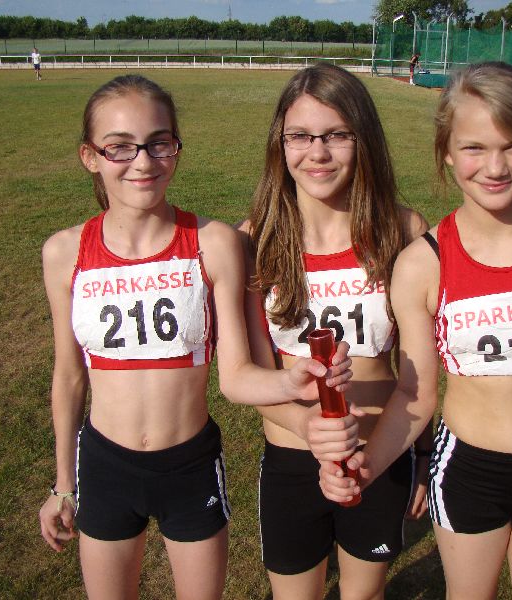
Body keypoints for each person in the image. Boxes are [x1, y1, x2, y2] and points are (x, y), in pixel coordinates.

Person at [37, 74, 352, 600]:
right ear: (90, 156)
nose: (143, 161)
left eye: (159, 143)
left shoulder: (215, 243)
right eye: (120, 147)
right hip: (105, 464)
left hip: (189, 465)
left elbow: (237, 373)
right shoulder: (63, 252)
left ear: (176, 149)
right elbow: (69, 377)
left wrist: (290, 380)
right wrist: (64, 484)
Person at [319, 61, 512, 599]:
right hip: (469, 471)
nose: (495, 166)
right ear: (446, 151)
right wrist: (364, 468)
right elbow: (415, 391)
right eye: (474, 148)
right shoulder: (423, 264)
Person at [237, 63, 431, 600]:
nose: (317, 153)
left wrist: (420, 455)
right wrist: (307, 427)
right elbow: (252, 373)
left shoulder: (402, 231)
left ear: (363, 138)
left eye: (336, 135)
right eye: (300, 136)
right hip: (291, 455)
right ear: (280, 143)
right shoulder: (255, 240)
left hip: (378, 452)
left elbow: (421, 370)